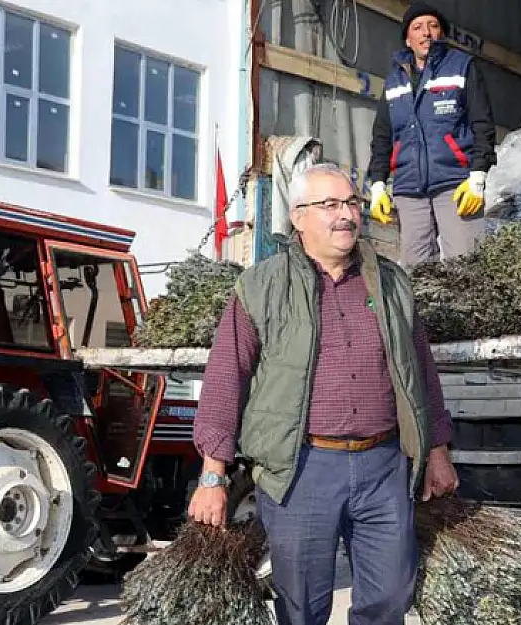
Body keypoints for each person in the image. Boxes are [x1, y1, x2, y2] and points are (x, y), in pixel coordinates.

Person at [188, 163, 459, 625]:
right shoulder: (261, 286)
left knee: (390, 596)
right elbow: (224, 379)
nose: (346, 215)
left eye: (351, 203)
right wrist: (213, 477)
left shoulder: (393, 284)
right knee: (301, 605)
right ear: (298, 217)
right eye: (330, 205)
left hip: (383, 467)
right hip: (301, 470)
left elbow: (421, 374)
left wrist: (437, 451)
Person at [367, 2, 497, 269]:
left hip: (455, 184)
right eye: (417, 27)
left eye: (433, 26)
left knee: (466, 269)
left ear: (442, 34)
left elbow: (482, 124)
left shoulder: (462, 67)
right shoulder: (394, 82)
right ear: (408, 38)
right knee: (417, 274)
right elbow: (382, 137)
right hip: (409, 189)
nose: (426, 32)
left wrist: (478, 178)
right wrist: (378, 184)